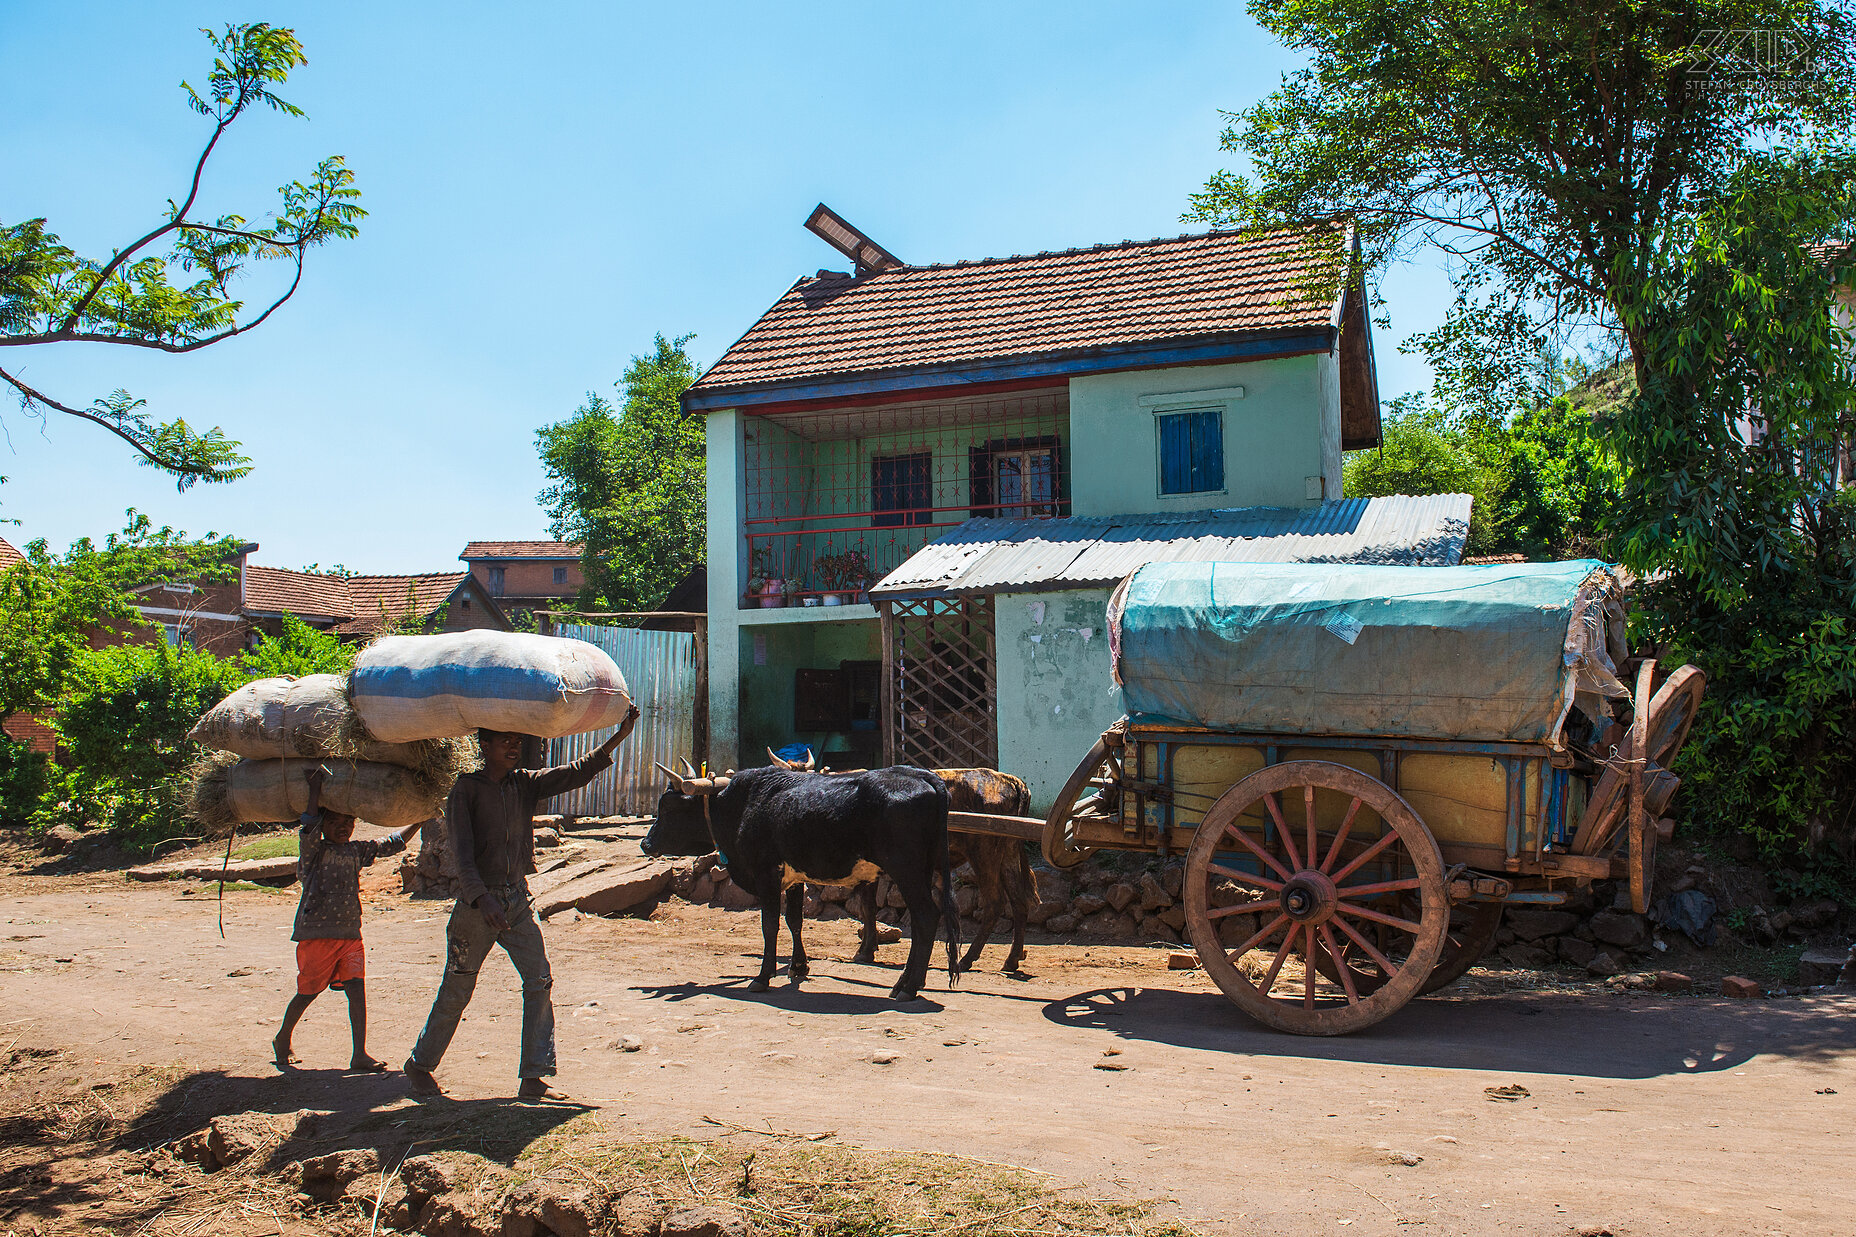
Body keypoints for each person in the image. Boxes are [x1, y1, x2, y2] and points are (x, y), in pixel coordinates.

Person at [405, 706, 640, 1100]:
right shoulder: (467, 789)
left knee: (539, 980)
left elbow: (578, 771)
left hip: (517, 899)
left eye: (517, 740)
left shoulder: (524, 784)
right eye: (505, 741)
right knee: (458, 989)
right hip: (476, 908)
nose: (513, 747)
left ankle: (533, 1076)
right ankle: (419, 1066)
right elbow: (462, 856)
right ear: (485, 745)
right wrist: (482, 899)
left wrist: (622, 732)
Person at [274, 765, 421, 1071]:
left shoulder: (356, 851)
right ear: (325, 824)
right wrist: (314, 788)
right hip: (317, 934)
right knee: (308, 991)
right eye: (336, 821)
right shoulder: (313, 851)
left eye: (348, 821)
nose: (343, 826)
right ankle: (283, 1038)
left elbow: (392, 844)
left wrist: (421, 818)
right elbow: (309, 822)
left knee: (357, 990)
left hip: (351, 934)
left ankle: (359, 1054)